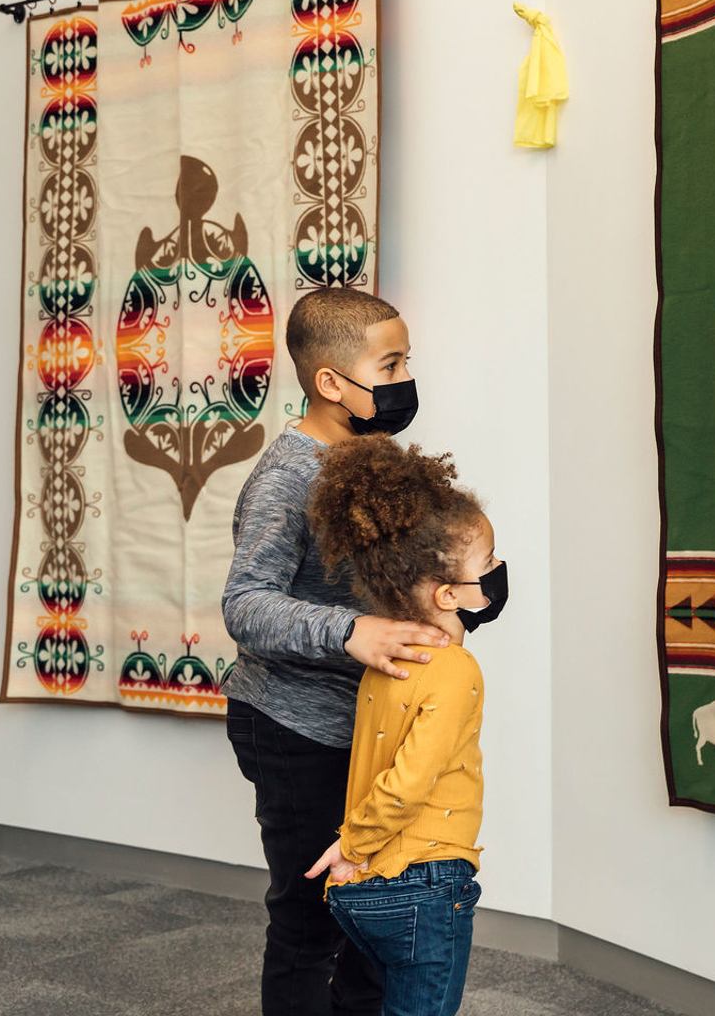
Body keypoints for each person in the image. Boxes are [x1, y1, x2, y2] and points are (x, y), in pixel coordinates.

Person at [223, 287, 450, 1015]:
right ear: (331, 383)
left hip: (373, 726)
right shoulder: (287, 477)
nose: (405, 379)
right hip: (293, 729)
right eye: (391, 365)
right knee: (311, 920)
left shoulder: (375, 462)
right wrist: (354, 633)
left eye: (406, 361)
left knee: (376, 912)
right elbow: (245, 604)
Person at [302, 435, 505, 1016]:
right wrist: (354, 843)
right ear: (448, 593)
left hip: (361, 885)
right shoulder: (456, 669)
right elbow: (410, 779)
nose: (496, 573)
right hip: (425, 883)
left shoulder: (384, 661)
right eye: (487, 565)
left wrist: (354, 857)